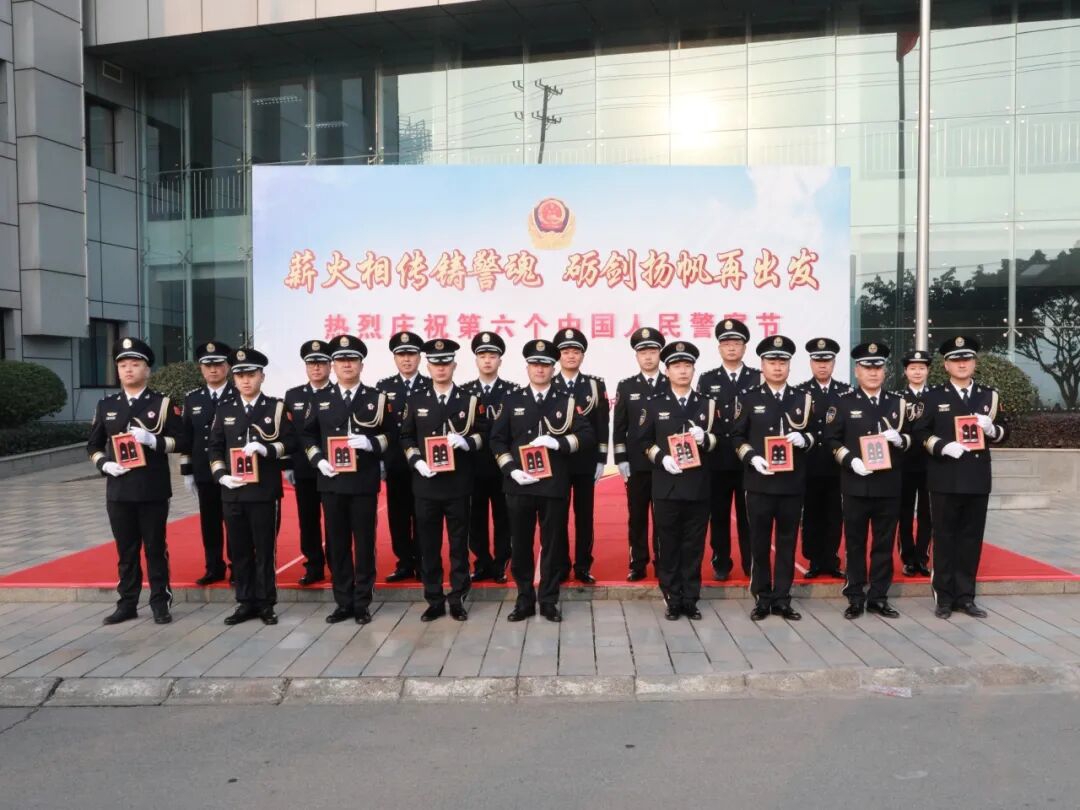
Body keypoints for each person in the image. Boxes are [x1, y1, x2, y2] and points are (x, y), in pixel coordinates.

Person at [490, 339, 595, 623]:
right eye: (535, 364)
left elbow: (587, 435)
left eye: (546, 365)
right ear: (527, 368)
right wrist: (510, 469)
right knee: (520, 544)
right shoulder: (511, 400)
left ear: (553, 368)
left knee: (553, 544)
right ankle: (524, 599)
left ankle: (548, 600)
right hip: (519, 484)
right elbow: (497, 440)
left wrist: (559, 443)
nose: (540, 369)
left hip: (553, 484)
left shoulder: (567, 401)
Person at [87, 337, 182, 625]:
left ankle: (160, 601)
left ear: (147, 370)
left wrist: (153, 440)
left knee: (155, 548)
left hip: (152, 488)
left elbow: (181, 441)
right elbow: (93, 445)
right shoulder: (107, 405)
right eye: (123, 365)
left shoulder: (162, 404)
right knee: (126, 551)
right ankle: (127, 603)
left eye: (135, 364)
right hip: (119, 490)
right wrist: (104, 464)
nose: (128, 370)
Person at [912, 336, 1007, 620]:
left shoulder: (989, 396)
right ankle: (944, 597)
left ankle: (966, 597)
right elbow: (920, 432)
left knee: (971, 539)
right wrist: (942, 446)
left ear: (974, 363)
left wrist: (992, 430)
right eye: (956, 360)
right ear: (946, 365)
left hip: (977, 478)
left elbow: (1005, 431)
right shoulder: (933, 397)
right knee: (944, 538)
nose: (962, 364)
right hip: (945, 477)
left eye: (967, 359)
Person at [303, 334, 394, 625]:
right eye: (341, 360)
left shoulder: (376, 398)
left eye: (352, 360)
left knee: (364, 544)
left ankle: (362, 602)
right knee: (337, 544)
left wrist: (371, 443)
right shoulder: (320, 398)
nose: (346, 364)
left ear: (361, 365)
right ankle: (343, 601)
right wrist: (318, 459)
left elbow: (392, 435)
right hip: (332, 482)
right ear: (333, 365)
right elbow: (307, 435)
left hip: (363, 482)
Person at [400, 339, 487, 622]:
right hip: (426, 485)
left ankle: (458, 597)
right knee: (428, 546)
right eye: (436, 363)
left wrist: (466, 442)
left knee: (459, 545)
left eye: (446, 363)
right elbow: (406, 436)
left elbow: (484, 435)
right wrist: (416, 461)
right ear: (428, 366)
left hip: (458, 485)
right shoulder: (416, 400)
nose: (441, 368)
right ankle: (434, 598)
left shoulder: (469, 400)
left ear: (454, 365)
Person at [208, 347, 295, 626]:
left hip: (263, 492)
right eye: (240, 375)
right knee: (239, 550)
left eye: (251, 375)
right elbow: (215, 447)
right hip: (233, 491)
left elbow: (291, 442)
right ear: (234, 379)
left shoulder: (275, 408)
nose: (246, 380)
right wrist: (221, 475)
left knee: (264, 550)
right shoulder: (225, 409)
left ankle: (266, 603)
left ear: (262, 377)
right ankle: (245, 602)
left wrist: (267, 449)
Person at [730, 335, 814, 621]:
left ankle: (782, 598)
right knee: (759, 542)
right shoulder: (749, 398)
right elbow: (737, 436)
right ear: (762, 365)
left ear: (789, 366)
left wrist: (804, 439)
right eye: (772, 362)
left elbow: (817, 434)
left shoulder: (803, 398)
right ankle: (762, 597)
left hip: (792, 484)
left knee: (787, 542)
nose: (777, 367)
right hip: (759, 483)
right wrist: (752, 457)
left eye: (782, 362)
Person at [824, 342, 910, 620]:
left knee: (884, 543)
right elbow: (831, 439)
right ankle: (855, 595)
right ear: (857, 370)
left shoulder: (898, 402)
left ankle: (879, 597)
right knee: (855, 542)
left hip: (889, 484)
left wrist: (901, 439)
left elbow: (914, 437)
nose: (873, 372)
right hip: (855, 484)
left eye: (878, 367)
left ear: (885, 371)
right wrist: (851, 460)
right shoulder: (843, 402)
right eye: (867, 367)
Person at [640, 340, 720, 620]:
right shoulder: (654, 404)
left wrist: (705, 438)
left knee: (693, 545)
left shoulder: (707, 404)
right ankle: (672, 598)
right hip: (667, 485)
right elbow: (643, 441)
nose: (683, 371)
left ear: (694, 370)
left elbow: (721, 440)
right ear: (667, 371)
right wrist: (661, 458)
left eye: (687, 366)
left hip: (698, 486)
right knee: (668, 544)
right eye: (677, 366)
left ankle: (690, 598)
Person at [696, 318, 760, 580]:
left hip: (749, 461)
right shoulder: (707, 379)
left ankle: (750, 563)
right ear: (719, 347)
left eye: (736, 343)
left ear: (744, 347)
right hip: (717, 459)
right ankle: (721, 562)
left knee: (749, 517)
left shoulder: (757, 377)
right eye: (726, 343)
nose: (731, 347)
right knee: (719, 515)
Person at [551, 327, 609, 584]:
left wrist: (601, 459)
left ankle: (583, 565)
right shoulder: (549, 384)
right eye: (565, 351)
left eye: (576, 351)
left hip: (586, 461)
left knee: (585, 516)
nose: (571, 356)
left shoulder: (594, 385)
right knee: (558, 515)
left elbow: (602, 423)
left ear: (583, 355)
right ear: (558, 356)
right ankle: (561, 565)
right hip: (558, 462)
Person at [612, 327, 668, 581]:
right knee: (637, 516)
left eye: (652, 351)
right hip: (636, 463)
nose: (648, 356)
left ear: (660, 354)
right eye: (643, 352)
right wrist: (621, 459)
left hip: (665, 463)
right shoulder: (627, 387)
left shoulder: (671, 383)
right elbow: (619, 427)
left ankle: (663, 561)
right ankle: (638, 563)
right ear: (636, 356)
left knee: (663, 516)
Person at [462, 332, 518, 583]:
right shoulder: (465, 392)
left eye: (492, 356)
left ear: (500, 361)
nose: (487, 360)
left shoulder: (512, 392)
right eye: (482, 356)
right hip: (473, 467)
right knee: (475, 518)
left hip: (502, 467)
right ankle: (481, 562)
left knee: (504, 517)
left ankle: (501, 563)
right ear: (476, 360)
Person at [179, 341, 235, 586]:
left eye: (218, 364)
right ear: (201, 368)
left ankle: (238, 566)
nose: (213, 369)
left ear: (228, 367)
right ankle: (213, 567)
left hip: (232, 470)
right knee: (209, 522)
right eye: (208, 365)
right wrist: (187, 471)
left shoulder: (237, 394)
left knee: (234, 521)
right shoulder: (193, 399)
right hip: (204, 471)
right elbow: (187, 437)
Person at [377, 331, 430, 582]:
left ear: (419, 357)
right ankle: (404, 562)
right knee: (397, 516)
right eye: (401, 355)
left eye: (411, 354)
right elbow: (378, 427)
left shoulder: (430, 385)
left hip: (423, 463)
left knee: (423, 514)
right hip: (396, 463)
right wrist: (381, 461)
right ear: (395, 358)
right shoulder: (383, 388)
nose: (407, 359)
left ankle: (422, 561)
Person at [798, 337, 850, 578]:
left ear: (833, 363)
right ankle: (814, 560)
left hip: (836, 464)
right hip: (810, 464)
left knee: (834, 514)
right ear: (811, 363)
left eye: (827, 361)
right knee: (811, 514)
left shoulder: (845, 393)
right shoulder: (801, 393)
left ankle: (831, 559)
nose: (822, 365)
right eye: (818, 361)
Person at [283, 340, 333, 585]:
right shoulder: (293, 396)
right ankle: (313, 565)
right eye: (311, 363)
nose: (316, 368)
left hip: (334, 468)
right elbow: (288, 433)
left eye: (321, 363)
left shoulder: (338, 393)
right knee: (308, 519)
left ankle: (337, 564)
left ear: (330, 366)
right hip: (304, 469)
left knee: (335, 520)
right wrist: (287, 465)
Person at [897, 350, 933, 577]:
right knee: (904, 512)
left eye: (921, 368)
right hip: (904, 463)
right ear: (905, 371)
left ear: (928, 370)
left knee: (927, 513)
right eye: (913, 368)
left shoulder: (935, 397)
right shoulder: (898, 398)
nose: (917, 372)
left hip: (931, 463)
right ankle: (908, 558)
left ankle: (922, 557)